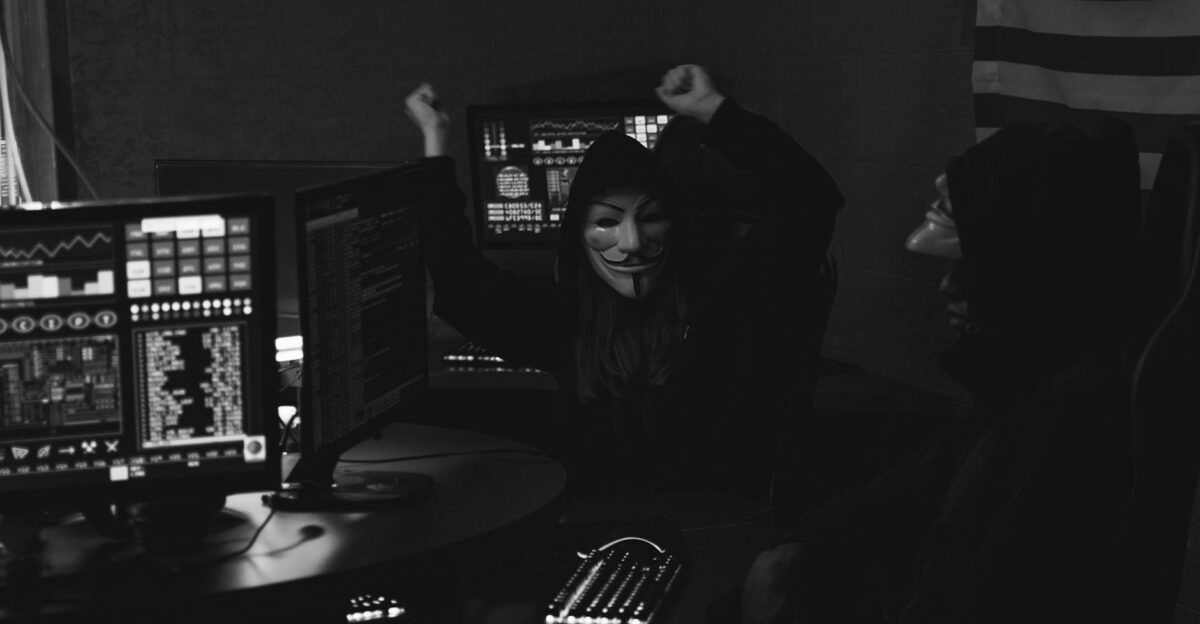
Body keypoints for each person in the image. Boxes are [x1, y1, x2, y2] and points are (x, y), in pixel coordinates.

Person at [735, 120, 1142, 623]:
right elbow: (910, 487)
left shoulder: (1058, 419)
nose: (946, 287)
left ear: (1027, 271)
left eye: (970, 267)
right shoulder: (1021, 383)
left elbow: (954, 597)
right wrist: (799, 545)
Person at [404, 64, 843, 497]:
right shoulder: (565, 318)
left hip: (715, 521)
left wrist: (713, 108)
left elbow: (811, 198)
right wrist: (435, 140)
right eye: (607, 222)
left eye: (650, 218)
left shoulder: (727, 295)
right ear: (579, 235)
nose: (631, 243)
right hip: (597, 527)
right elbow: (460, 280)